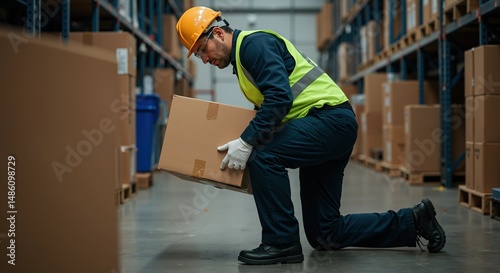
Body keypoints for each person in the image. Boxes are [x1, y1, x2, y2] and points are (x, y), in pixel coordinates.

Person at [175, 6, 446, 265]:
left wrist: (246, 142)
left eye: (202, 50)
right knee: (325, 234)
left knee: (263, 152)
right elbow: (271, 108)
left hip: (330, 121)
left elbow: (279, 99)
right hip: (324, 126)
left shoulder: (253, 46)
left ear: (218, 34)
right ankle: (414, 221)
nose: (205, 59)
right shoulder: (243, 64)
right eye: (199, 56)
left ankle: (281, 242)